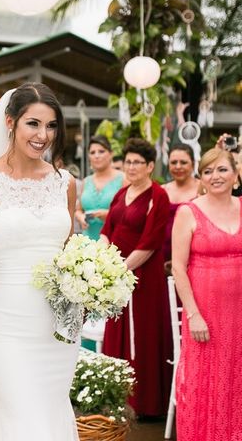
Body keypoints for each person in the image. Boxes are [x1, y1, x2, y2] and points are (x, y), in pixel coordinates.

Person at [0, 83, 79, 439]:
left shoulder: (65, 182)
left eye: (51, 126)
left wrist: (89, 285)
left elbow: (69, 249)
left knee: (50, 410)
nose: (43, 135)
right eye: (33, 124)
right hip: (7, 320)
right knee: (18, 413)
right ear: (10, 122)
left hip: (59, 322)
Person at [172, 148, 242, 441]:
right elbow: (178, 266)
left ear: (235, 174)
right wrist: (194, 314)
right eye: (209, 171)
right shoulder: (188, 211)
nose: (216, 177)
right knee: (205, 381)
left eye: (222, 169)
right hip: (204, 314)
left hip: (238, 313)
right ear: (201, 177)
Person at [100, 138, 172, 417]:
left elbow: (150, 242)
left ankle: (145, 404)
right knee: (116, 330)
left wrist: (121, 269)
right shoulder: (121, 193)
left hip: (143, 276)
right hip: (115, 274)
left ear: (150, 166)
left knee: (143, 335)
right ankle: (116, 398)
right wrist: (104, 263)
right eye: (127, 161)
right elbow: (108, 229)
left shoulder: (158, 196)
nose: (131, 167)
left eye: (137, 162)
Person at [75, 135, 124, 240]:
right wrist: (81, 217)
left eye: (101, 151)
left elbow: (131, 212)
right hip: (87, 243)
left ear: (111, 154)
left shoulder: (123, 179)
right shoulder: (86, 181)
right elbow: (78, 210)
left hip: (113, 243)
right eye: (92, 152)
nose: (96, 156)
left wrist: (109, 215)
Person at [162, 144, 201, 265]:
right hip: (163, 256)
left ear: (193, 164)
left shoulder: (203, 189)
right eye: (173, 162)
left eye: (183, 162)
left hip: (194, 257)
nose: (178, 167)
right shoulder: (161, 190)